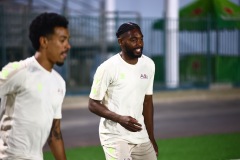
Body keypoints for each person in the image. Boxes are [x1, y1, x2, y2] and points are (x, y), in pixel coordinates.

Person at [0, 12, 71, 160]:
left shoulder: (59, 82)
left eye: (68, 40)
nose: (68, 46)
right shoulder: (17, 70)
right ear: (44, 42)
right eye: (62, 40)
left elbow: (54, 133)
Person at [88, 22, 158, 160]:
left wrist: (151, 138)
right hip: (114, 136)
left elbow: (147, 102)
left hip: (140, 135)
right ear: (121, 42)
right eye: (133, 40)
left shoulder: (149, 65)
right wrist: (119, 119)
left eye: (141, 39)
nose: (139, 44)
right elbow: (92, 104)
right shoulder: (107, 68)